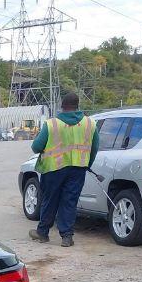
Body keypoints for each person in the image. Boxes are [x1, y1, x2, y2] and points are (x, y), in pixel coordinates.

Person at [29, 92, 99, 247]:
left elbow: (36, 147)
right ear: (77, 106)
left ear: (62, 105)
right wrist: (87, 163)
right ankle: (67, 237)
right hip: (78, 169)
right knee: (70, 201)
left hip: (54, 168)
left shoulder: (52, 124)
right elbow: (94, 148)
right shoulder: (90, 124)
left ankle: (42, 233)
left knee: (50, 199)